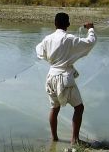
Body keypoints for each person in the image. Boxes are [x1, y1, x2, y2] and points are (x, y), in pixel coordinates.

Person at [36, 12, 96, 144]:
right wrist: (91, 29)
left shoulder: (47, 39)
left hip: (51, 77)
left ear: (55, 24)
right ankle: (74, 139)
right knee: (79, 108)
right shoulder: (69, 39)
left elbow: (39, 51)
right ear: (68, 24)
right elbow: (90, 42)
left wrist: (53, 59)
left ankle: (54, 139)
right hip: (64, 78)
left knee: (54, 108)